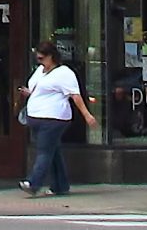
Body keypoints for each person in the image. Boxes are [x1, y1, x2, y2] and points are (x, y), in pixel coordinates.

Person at [14, 41, 100, 198]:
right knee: (53, 151)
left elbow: (75, 95)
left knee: (44, 151)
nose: (39, 61)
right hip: (37, 116)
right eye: (38, 58)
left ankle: (33, 183)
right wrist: (29, 93)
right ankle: (60, 185)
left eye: (42, 58)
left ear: (51, 56)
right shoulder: (40, 71)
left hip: (53, 118)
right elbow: (36, 89)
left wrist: (87, 115)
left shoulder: (64, 73)